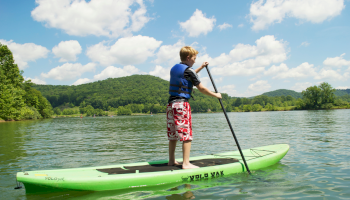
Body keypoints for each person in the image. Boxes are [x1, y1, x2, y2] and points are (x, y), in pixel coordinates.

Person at [167, 46, 222, 169]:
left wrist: (201, 67)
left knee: (173, 134)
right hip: (181, 105)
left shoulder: (175, 68)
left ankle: (171, 160)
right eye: (194, 58)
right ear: (188, 58)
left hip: (171, 105)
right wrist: (216, 95)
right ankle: (186, 163)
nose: (195, 61)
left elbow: (189, 76)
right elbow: (201, 88)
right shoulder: (189, 71)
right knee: (186, 134)